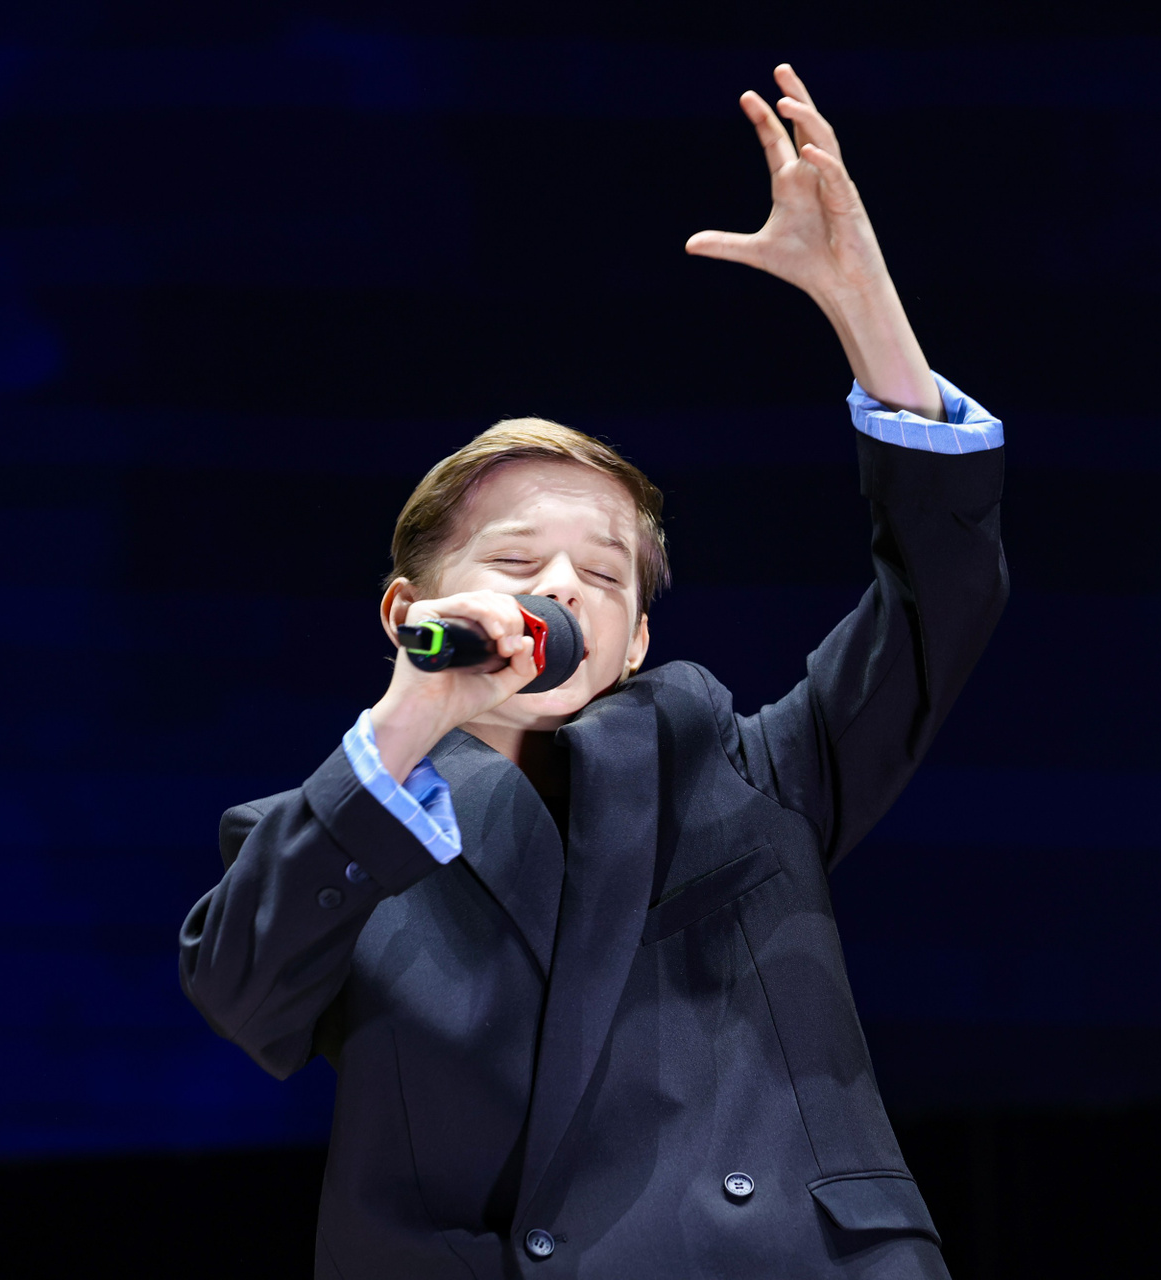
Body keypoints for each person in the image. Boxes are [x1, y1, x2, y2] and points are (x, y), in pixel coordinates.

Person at [180, 64, 1006, 1279]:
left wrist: (862, 304)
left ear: (635, 644)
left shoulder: (742, 769)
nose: (563, 586)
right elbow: (242, 996)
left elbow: (939, 599)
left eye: (604, 574)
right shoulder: (322, 832)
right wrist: (416, 710)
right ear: (408, 610)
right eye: (518, 561)